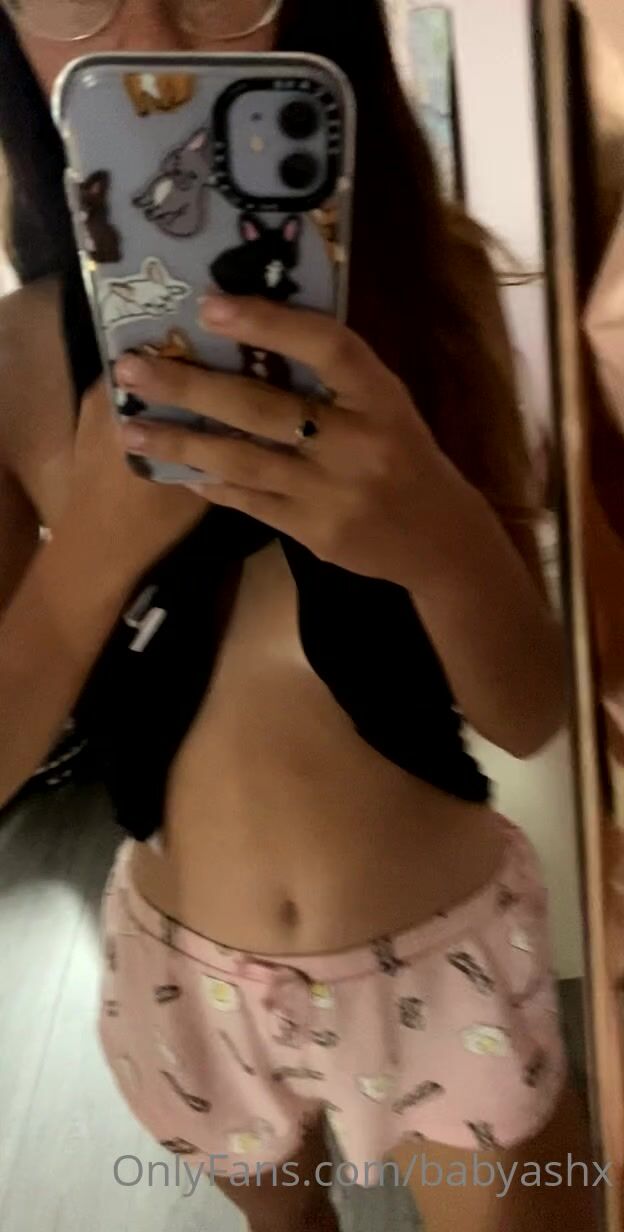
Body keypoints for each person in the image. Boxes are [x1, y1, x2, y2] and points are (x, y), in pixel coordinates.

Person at [0, 2, 591, 1230]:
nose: (156, 39)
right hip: (187, 974)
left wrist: (438, 537)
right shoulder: (10, 364)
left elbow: (533, 712)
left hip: (446, 958)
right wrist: (85, 564)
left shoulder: (436, 291)